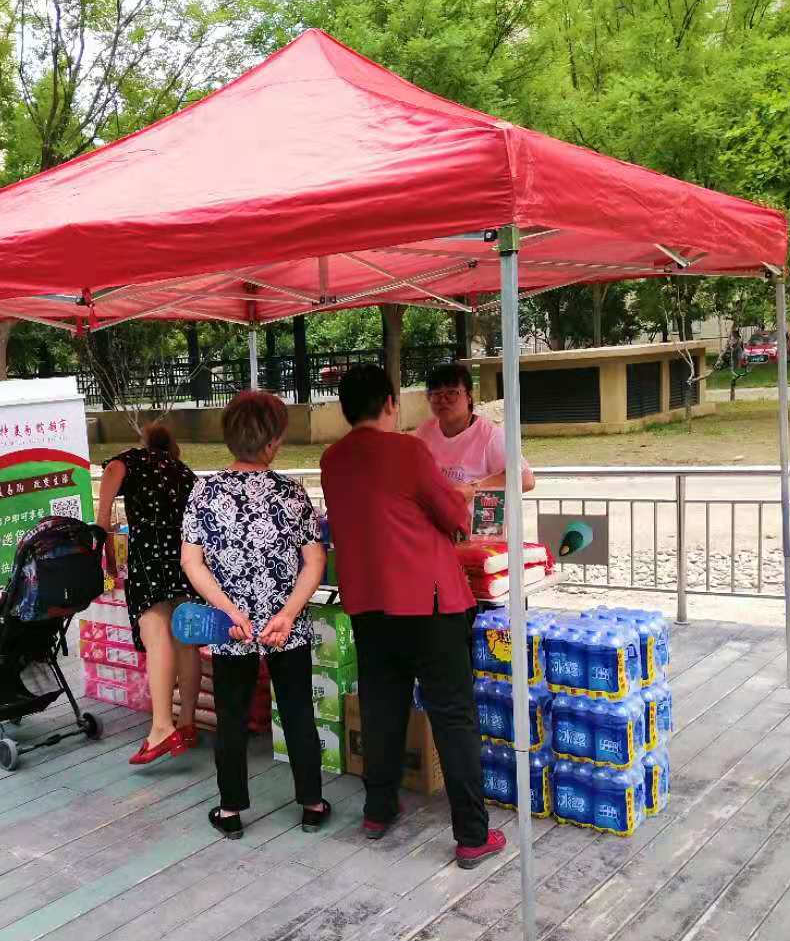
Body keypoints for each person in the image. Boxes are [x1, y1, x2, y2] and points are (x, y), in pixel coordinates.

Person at [320, 365, 505, 869]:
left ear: (345, 409)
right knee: (453, 714)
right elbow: (453, 516)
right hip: (429, 601)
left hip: (368, 603)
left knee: (381, 706)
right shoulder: (408, 450)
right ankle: (472, 835)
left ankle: (378, 809)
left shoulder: (332, 459)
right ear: (390, 403)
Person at [180, 391, 329, 840]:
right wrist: (287, 613)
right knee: (298, 711)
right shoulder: (291, 493)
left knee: (231, 716)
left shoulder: (204, 492)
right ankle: (312, 803)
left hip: (232, 628)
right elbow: (315, 561)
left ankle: (230, 809)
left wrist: (229, 609)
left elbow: (191, 562)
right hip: (289, 628)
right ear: (273, 442)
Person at [95, 423, 202, 765]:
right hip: (185, 559)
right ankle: (187, 723)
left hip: (149, 556)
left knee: (157, 637)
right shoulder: (183, 471)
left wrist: (102, 526)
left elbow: (113, 471)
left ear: (145, 442)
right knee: (186, 640)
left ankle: (161, 727)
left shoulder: (136, 459)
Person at [413, 362, 534, 493]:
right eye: (436, 394)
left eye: (452, 393)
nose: (443, 400)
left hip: (472, 506)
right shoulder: (424, 432)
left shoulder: (491, 436)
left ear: (469, 396)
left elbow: (526, 480)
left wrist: (474, 487)